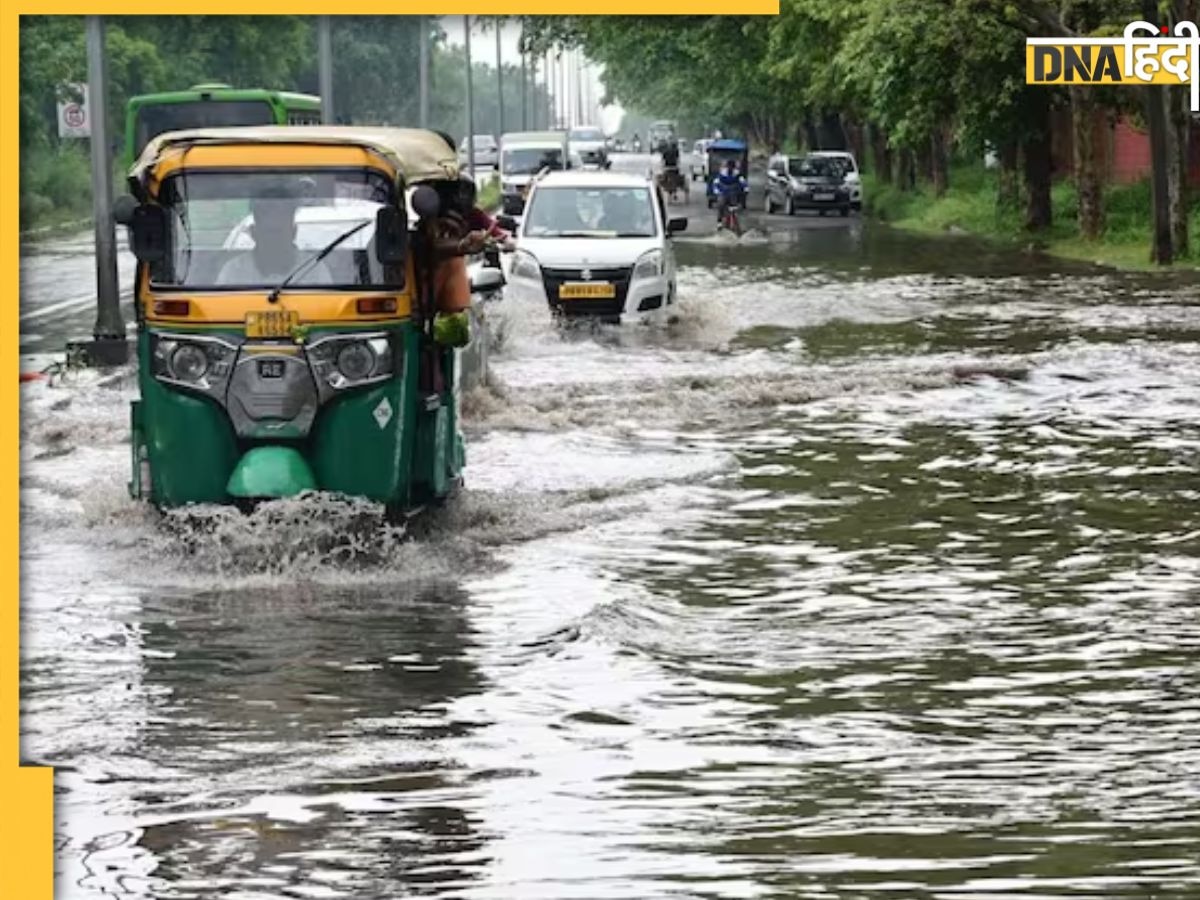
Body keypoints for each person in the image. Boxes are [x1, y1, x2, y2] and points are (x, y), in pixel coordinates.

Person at [216, 194, 335, 286]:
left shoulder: (314, 270)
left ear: (293, 233)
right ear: (254, 233)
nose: (274, 242)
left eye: (279, 233)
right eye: (269, 233)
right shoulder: (233, 271)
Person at [712, 158, 747, 224]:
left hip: (733, 193)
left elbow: (742, 181)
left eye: (732, 167)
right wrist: (716, 189)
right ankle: (719, 221)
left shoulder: (737, 174)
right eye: (729, 167)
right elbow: (716, 182)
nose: (730, 168)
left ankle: (735, 221)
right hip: (723, 192)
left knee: (735, 206)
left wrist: (745, 188)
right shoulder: (722, 173)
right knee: (720, 205)